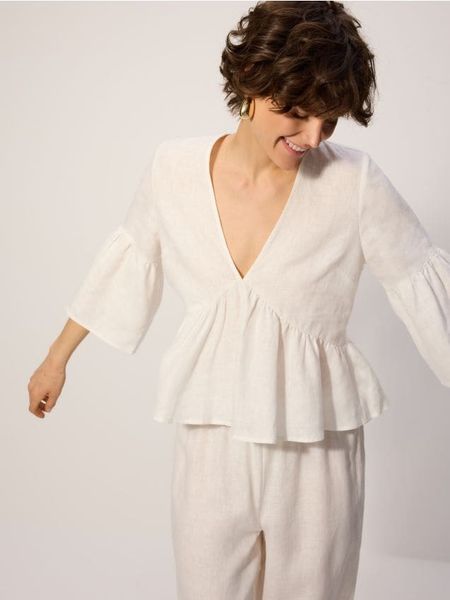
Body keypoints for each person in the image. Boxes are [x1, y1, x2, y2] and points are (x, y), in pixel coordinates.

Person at [27, 2, 450, 599]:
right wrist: (55, 359)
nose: (313, 137)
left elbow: (422, 285)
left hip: (316, 445)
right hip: (211, 438)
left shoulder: (354, 183)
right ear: (252, 81)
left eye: (329, 121)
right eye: (298, 113)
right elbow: (130, 260)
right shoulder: (172, 170)